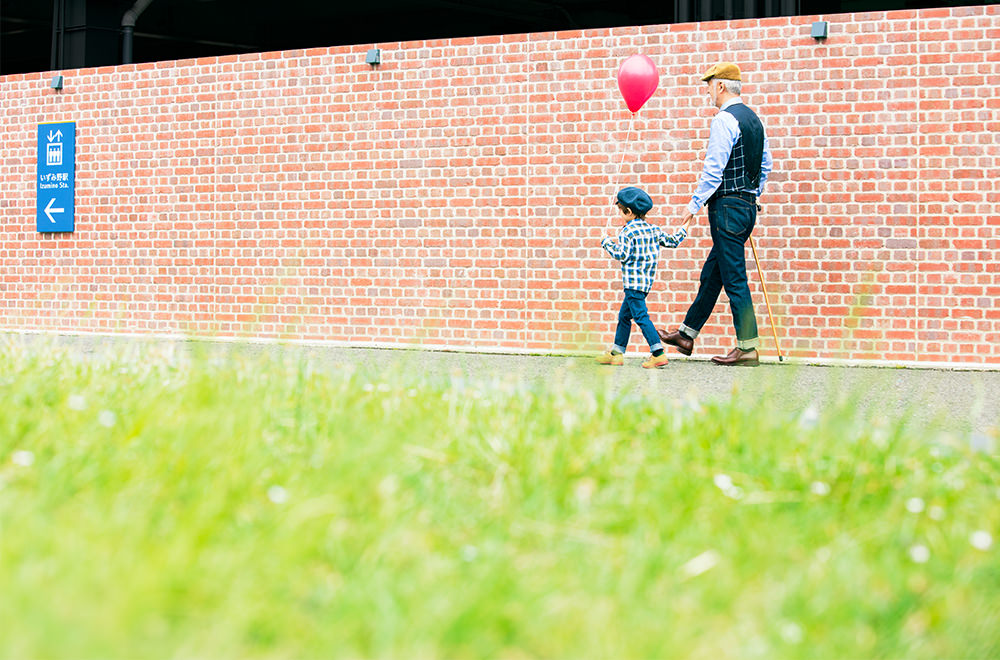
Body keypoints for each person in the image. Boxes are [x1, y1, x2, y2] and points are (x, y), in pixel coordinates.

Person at [659, 62, 773, 367]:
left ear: (720, 86)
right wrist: (752, 194)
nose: (708, 91)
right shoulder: (756, 121)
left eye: (710, 85)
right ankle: (686, 334)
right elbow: (765, 166)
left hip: (726, 209)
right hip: (747, 208)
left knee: (735, 278)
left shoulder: (724, 119)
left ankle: (747, 347)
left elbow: (714, 168)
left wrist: (693, 205)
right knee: (714, 273)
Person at [597, 187, 689, 369]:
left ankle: (658, 353)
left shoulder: (627, 232)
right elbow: (673, 241)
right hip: (645, 285)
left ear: (628, 212)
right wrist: (686, 225)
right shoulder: (654, 230)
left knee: (640, 316)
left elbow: (621, 254)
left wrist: (606, 242)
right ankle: (616, 353)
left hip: (632, 284)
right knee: (624, 316)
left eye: (621, 211)